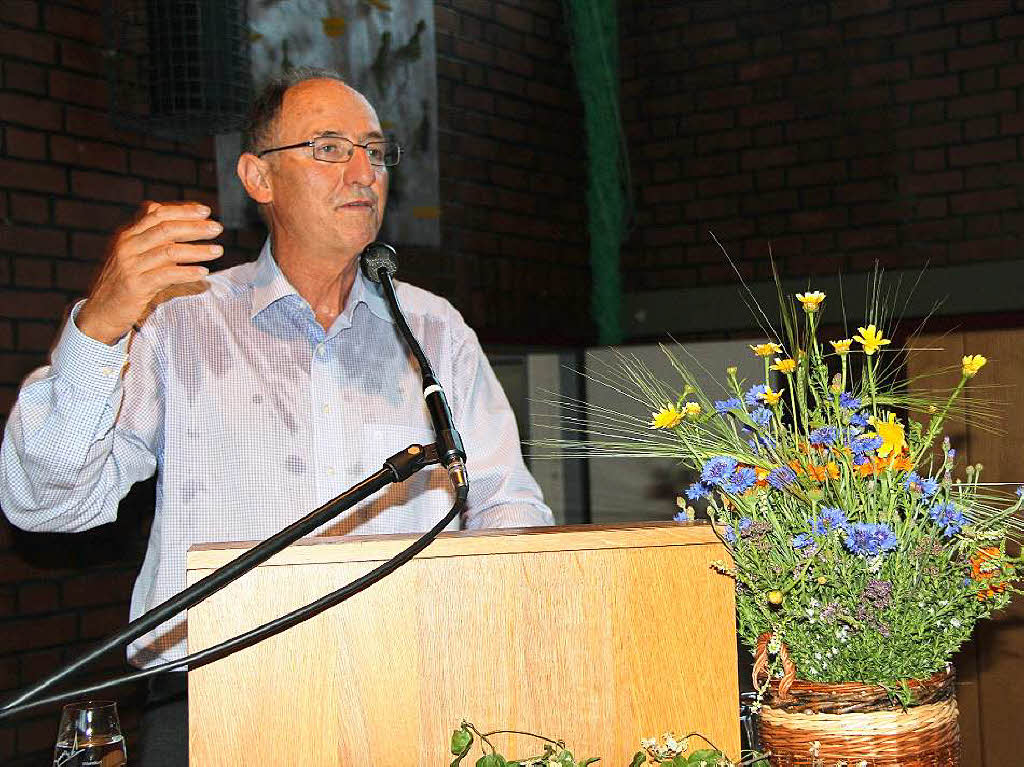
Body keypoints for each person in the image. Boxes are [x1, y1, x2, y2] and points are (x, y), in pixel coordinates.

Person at [0, 67, 553, 764]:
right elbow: (48, 504)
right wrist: (99, 331)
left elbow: (509, 505)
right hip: (210, 707)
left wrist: (475, 636)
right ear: (259, 178)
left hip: (406, 700)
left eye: (375, 151)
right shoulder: (181, 319)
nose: (363, 171)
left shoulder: (433, 331)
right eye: (328, 148)